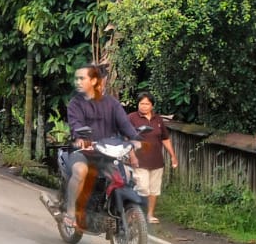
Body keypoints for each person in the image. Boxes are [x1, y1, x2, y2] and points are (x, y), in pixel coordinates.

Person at [61, 65, 139, 233]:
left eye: (102, 80)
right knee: (80, 171)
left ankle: (114, 212)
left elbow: (125, 125)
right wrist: (81, 137)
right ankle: (70, 212)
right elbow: (76, 125)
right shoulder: (76, 103)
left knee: (126, 177)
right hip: (83, 152)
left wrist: (135, 140)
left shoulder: (113, 104)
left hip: (107, 154)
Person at [126, 94, 177, 224]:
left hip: (156, 161)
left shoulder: (158, 119)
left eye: (147, 104)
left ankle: (149, 214)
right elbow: (127, 139)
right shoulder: (131, 118)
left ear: (152, 106)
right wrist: (132, 156)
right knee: (142, 188)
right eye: (141, 103)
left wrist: (173, 156)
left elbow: (165, 139)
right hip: (139, 161)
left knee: (154, 190)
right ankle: (135, 214)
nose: (144, 106)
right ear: (138, 104)